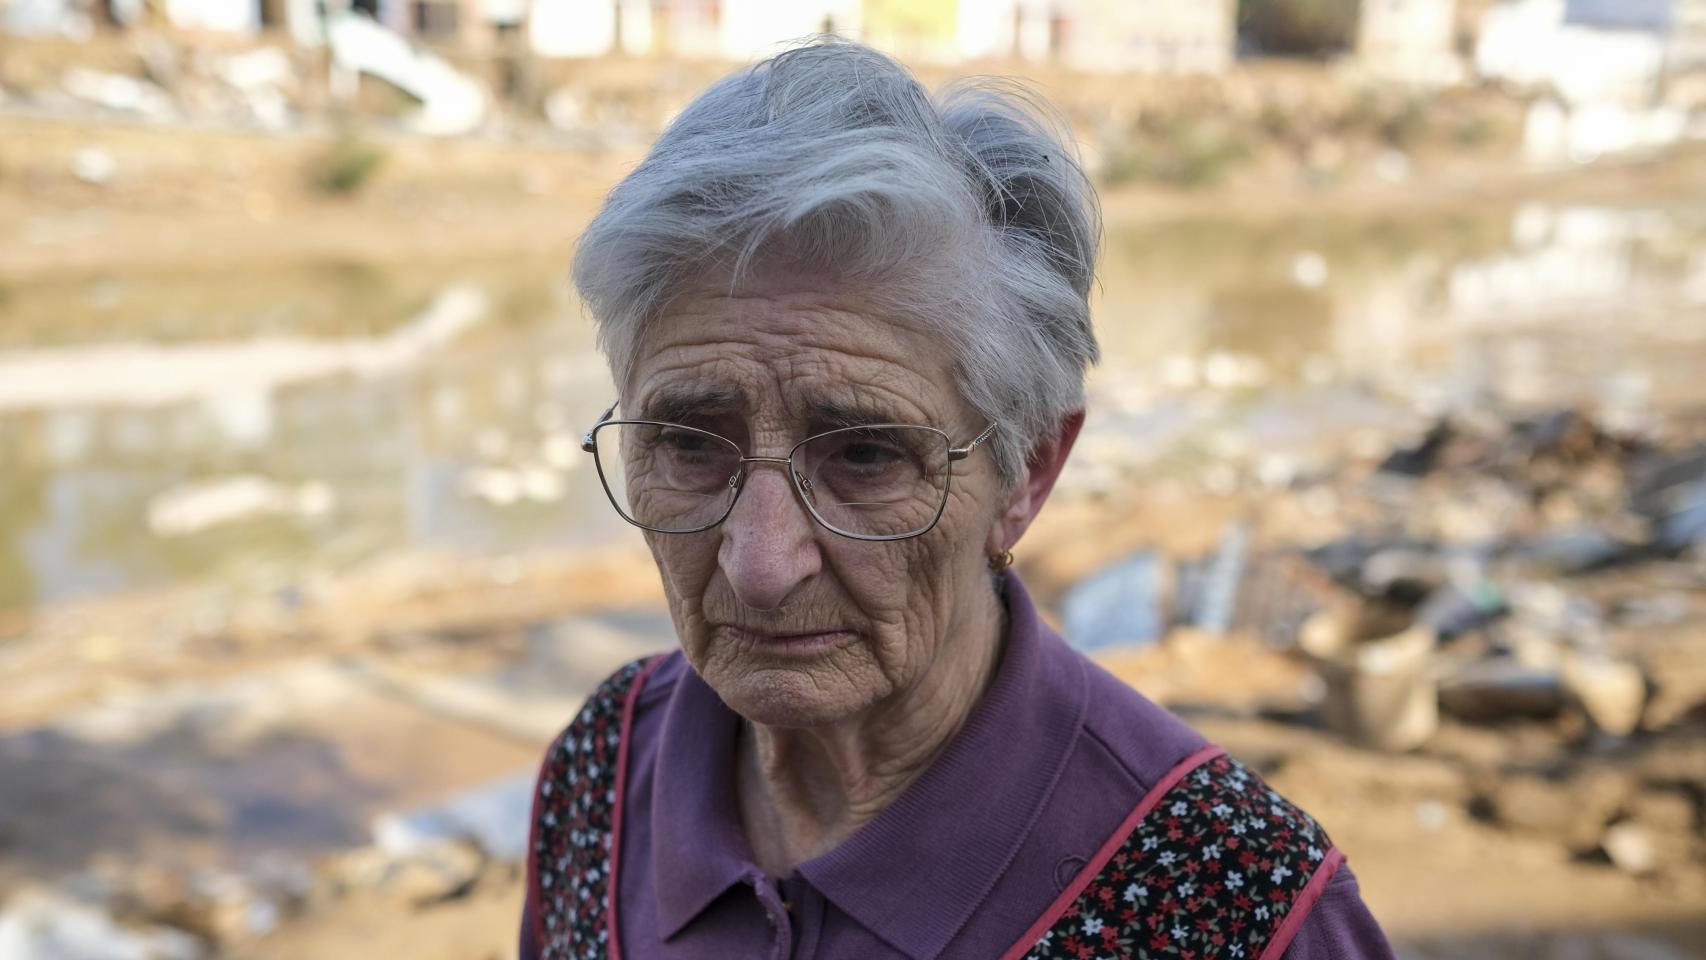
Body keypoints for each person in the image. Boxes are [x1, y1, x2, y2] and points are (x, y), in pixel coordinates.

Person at [520, 38, 1396, 960]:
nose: (763, 564)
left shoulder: (1235, 909)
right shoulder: (605, 769)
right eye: (690, 446)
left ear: (1027, 475)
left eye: (864, 455)